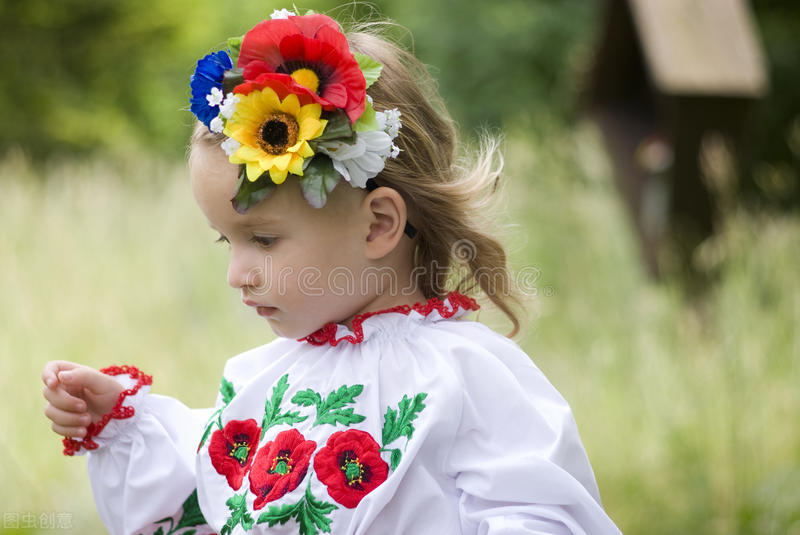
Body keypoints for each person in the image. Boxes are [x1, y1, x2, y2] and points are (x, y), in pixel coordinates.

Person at [42, 9, 622, 535]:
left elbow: (543, 514)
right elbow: (212, 497)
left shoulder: (466, 374)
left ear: (377, 226)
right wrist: (124, 423)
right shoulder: (267, 379)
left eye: (263, 239)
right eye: (228, 242)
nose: (237, 274)